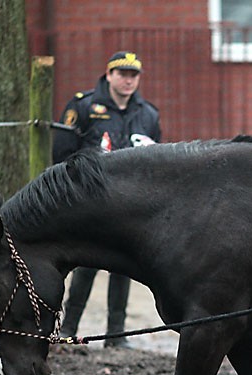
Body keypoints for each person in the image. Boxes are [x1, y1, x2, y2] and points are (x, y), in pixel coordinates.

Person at [54, 51, 161, 348]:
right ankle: (69, 329)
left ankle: (116, 334)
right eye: (122, 73)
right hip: (91, 204)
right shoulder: (84, 106)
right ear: (109, 74)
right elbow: (62, 154)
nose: (128, 80)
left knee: (124, 269)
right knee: (86, 266)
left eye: (133, 75)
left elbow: (157, 161)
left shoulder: (149, 114)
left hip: (130, 207)